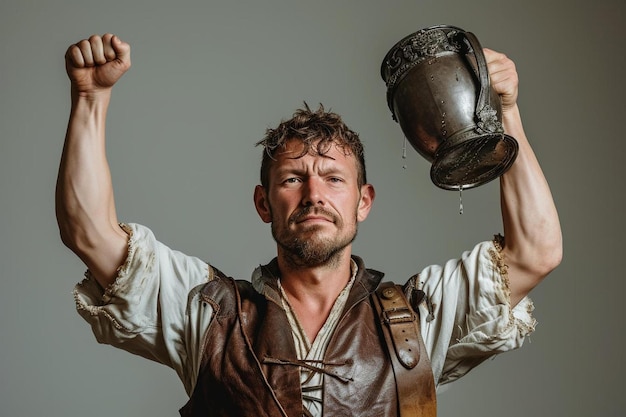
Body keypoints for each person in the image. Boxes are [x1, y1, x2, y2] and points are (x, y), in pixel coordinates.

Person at [56, 33, 562, 417]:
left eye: (333, 179)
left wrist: (505, 114)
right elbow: (90, 233)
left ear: (364, 201)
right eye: (293, 179)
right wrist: (90, 99)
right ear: (263, 202)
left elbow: (535, 251)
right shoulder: (210, 314)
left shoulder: (420, 316)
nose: (314, 195)